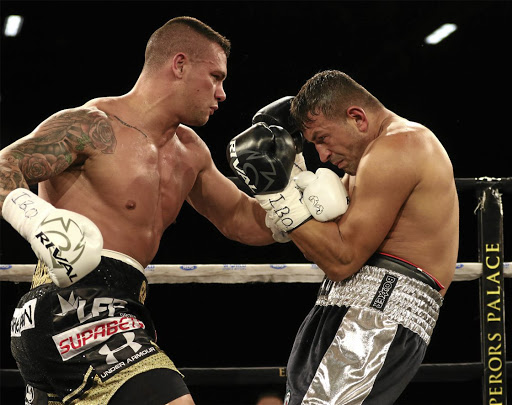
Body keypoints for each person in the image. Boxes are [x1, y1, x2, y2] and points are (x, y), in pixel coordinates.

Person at [0, 16, 280, 405]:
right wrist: (36, 220)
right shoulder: (92, 126)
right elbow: (5, 167)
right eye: (215, 77)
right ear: (179, 65)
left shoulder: (191, 152)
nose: (222, 94)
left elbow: (241, 220)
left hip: (127, 307)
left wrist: (291, 199)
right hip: (68, 307)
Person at [228, 70, 459, 404]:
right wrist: (289, 173)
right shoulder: (365, 165)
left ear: (357, 118)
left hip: (376, 315)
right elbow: (317, 248)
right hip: (351, 311)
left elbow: (342, 259)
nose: (322, 155)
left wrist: (277, 193)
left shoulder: (400, 145)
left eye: (322, 138)